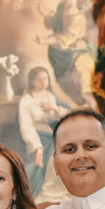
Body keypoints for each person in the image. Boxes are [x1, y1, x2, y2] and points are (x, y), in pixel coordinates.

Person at [17, 66, 68, 200]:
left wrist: (55, 108)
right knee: (40, 160)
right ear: (33, 81)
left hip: (51, 136)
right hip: (34, 137)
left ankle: (56, 192)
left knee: (60, 154)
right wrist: (37, 146)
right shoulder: (26, 101)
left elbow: (66, 116)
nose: (43, 82)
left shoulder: (50, 96)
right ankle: (42, 193)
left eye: (45, 79)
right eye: (40, 80)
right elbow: (26, 126)